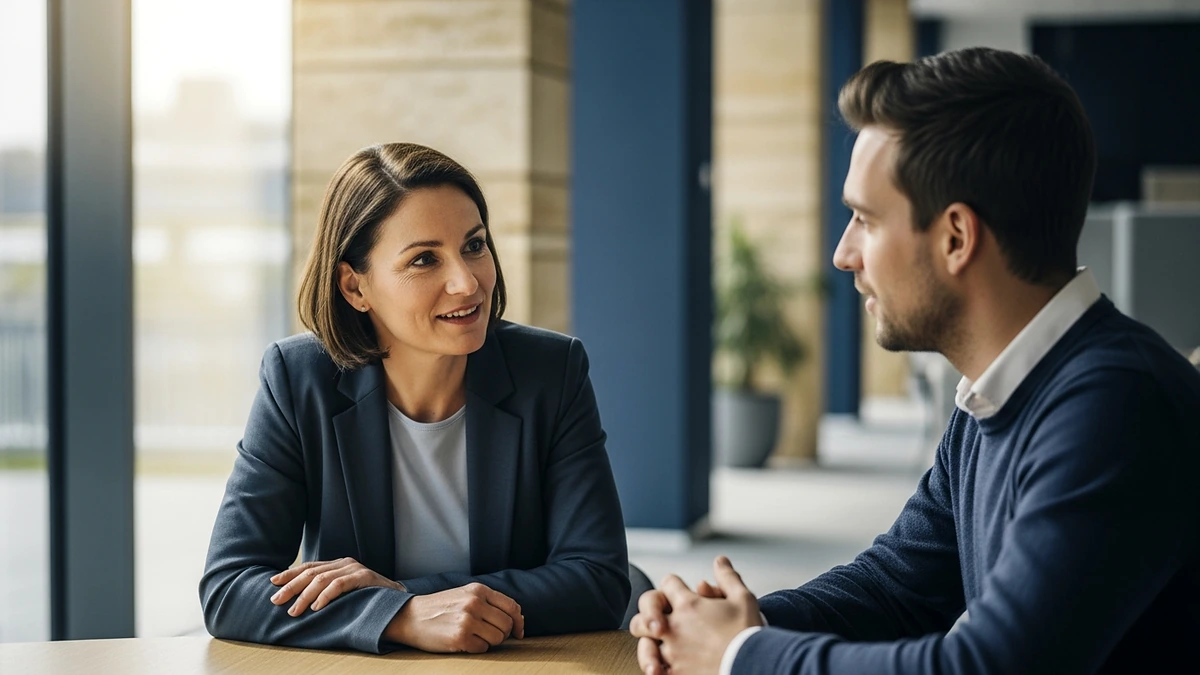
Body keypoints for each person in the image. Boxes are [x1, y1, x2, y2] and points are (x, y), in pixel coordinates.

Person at [630, 47, 1200, 674]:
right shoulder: (1001, 389)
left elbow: (986, 668)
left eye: (865, 220)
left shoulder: (1117, 407)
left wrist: (742, 655)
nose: (843, 255)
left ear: (956, 237)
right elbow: (897, 587)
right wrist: (730, 622)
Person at [200, 142, 630, 654]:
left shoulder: (551, 371)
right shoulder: (299, 380)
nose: (467, 281)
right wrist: (400, 619)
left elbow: (598, 580)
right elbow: (229, 589)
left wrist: (405, 597)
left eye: (474, 245)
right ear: (355, 287)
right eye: (425, 259)